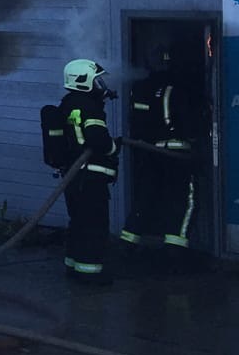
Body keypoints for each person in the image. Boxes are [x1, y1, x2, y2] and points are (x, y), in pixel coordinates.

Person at [120, 40, 206, 254]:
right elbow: (191, 124)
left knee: (145, 197)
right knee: (184, 200)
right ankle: (175, 251)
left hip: (149, 153)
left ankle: (128, 245)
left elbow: (136, 123)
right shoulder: (180, 89)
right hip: (176, 155)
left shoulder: (139, 88)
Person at [57, 59, 119, 282]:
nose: (100, 85)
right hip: (90, 176)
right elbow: (97, 139)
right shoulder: (88, 107)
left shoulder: (68, 103)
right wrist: (114, 146)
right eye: (97, 81)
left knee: (79, 222)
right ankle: (90, 274)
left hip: (73, 176)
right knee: (94, 224)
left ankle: (73, 266)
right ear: (84, 81)